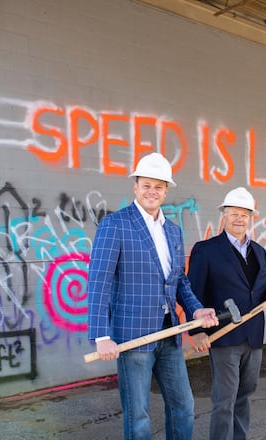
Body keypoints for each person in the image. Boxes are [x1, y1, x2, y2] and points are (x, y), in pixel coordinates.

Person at [87, 152, 219, 440]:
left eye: (159, 187)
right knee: (138, 416)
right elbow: (99, 280)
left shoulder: (172, 230)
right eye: (146, 185)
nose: (152, 191)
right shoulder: (116, 224)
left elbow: (179, 280)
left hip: (168, 333)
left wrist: (195, 310)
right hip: (133, 336)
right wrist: (101, 335)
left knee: (184, 406)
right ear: (135, 186)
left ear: (166, 190)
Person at [187, 187, 266, 440]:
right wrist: (197, 331)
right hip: (224, 336)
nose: (239, 219)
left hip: (253, 336)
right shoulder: (206, 250)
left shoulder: (259, 252)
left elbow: (262, 287)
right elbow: (193, 292)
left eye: (244, 214)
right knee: (225, 399)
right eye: (234, 214)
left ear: (250, 217)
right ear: (224, 215)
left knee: (245, 395)